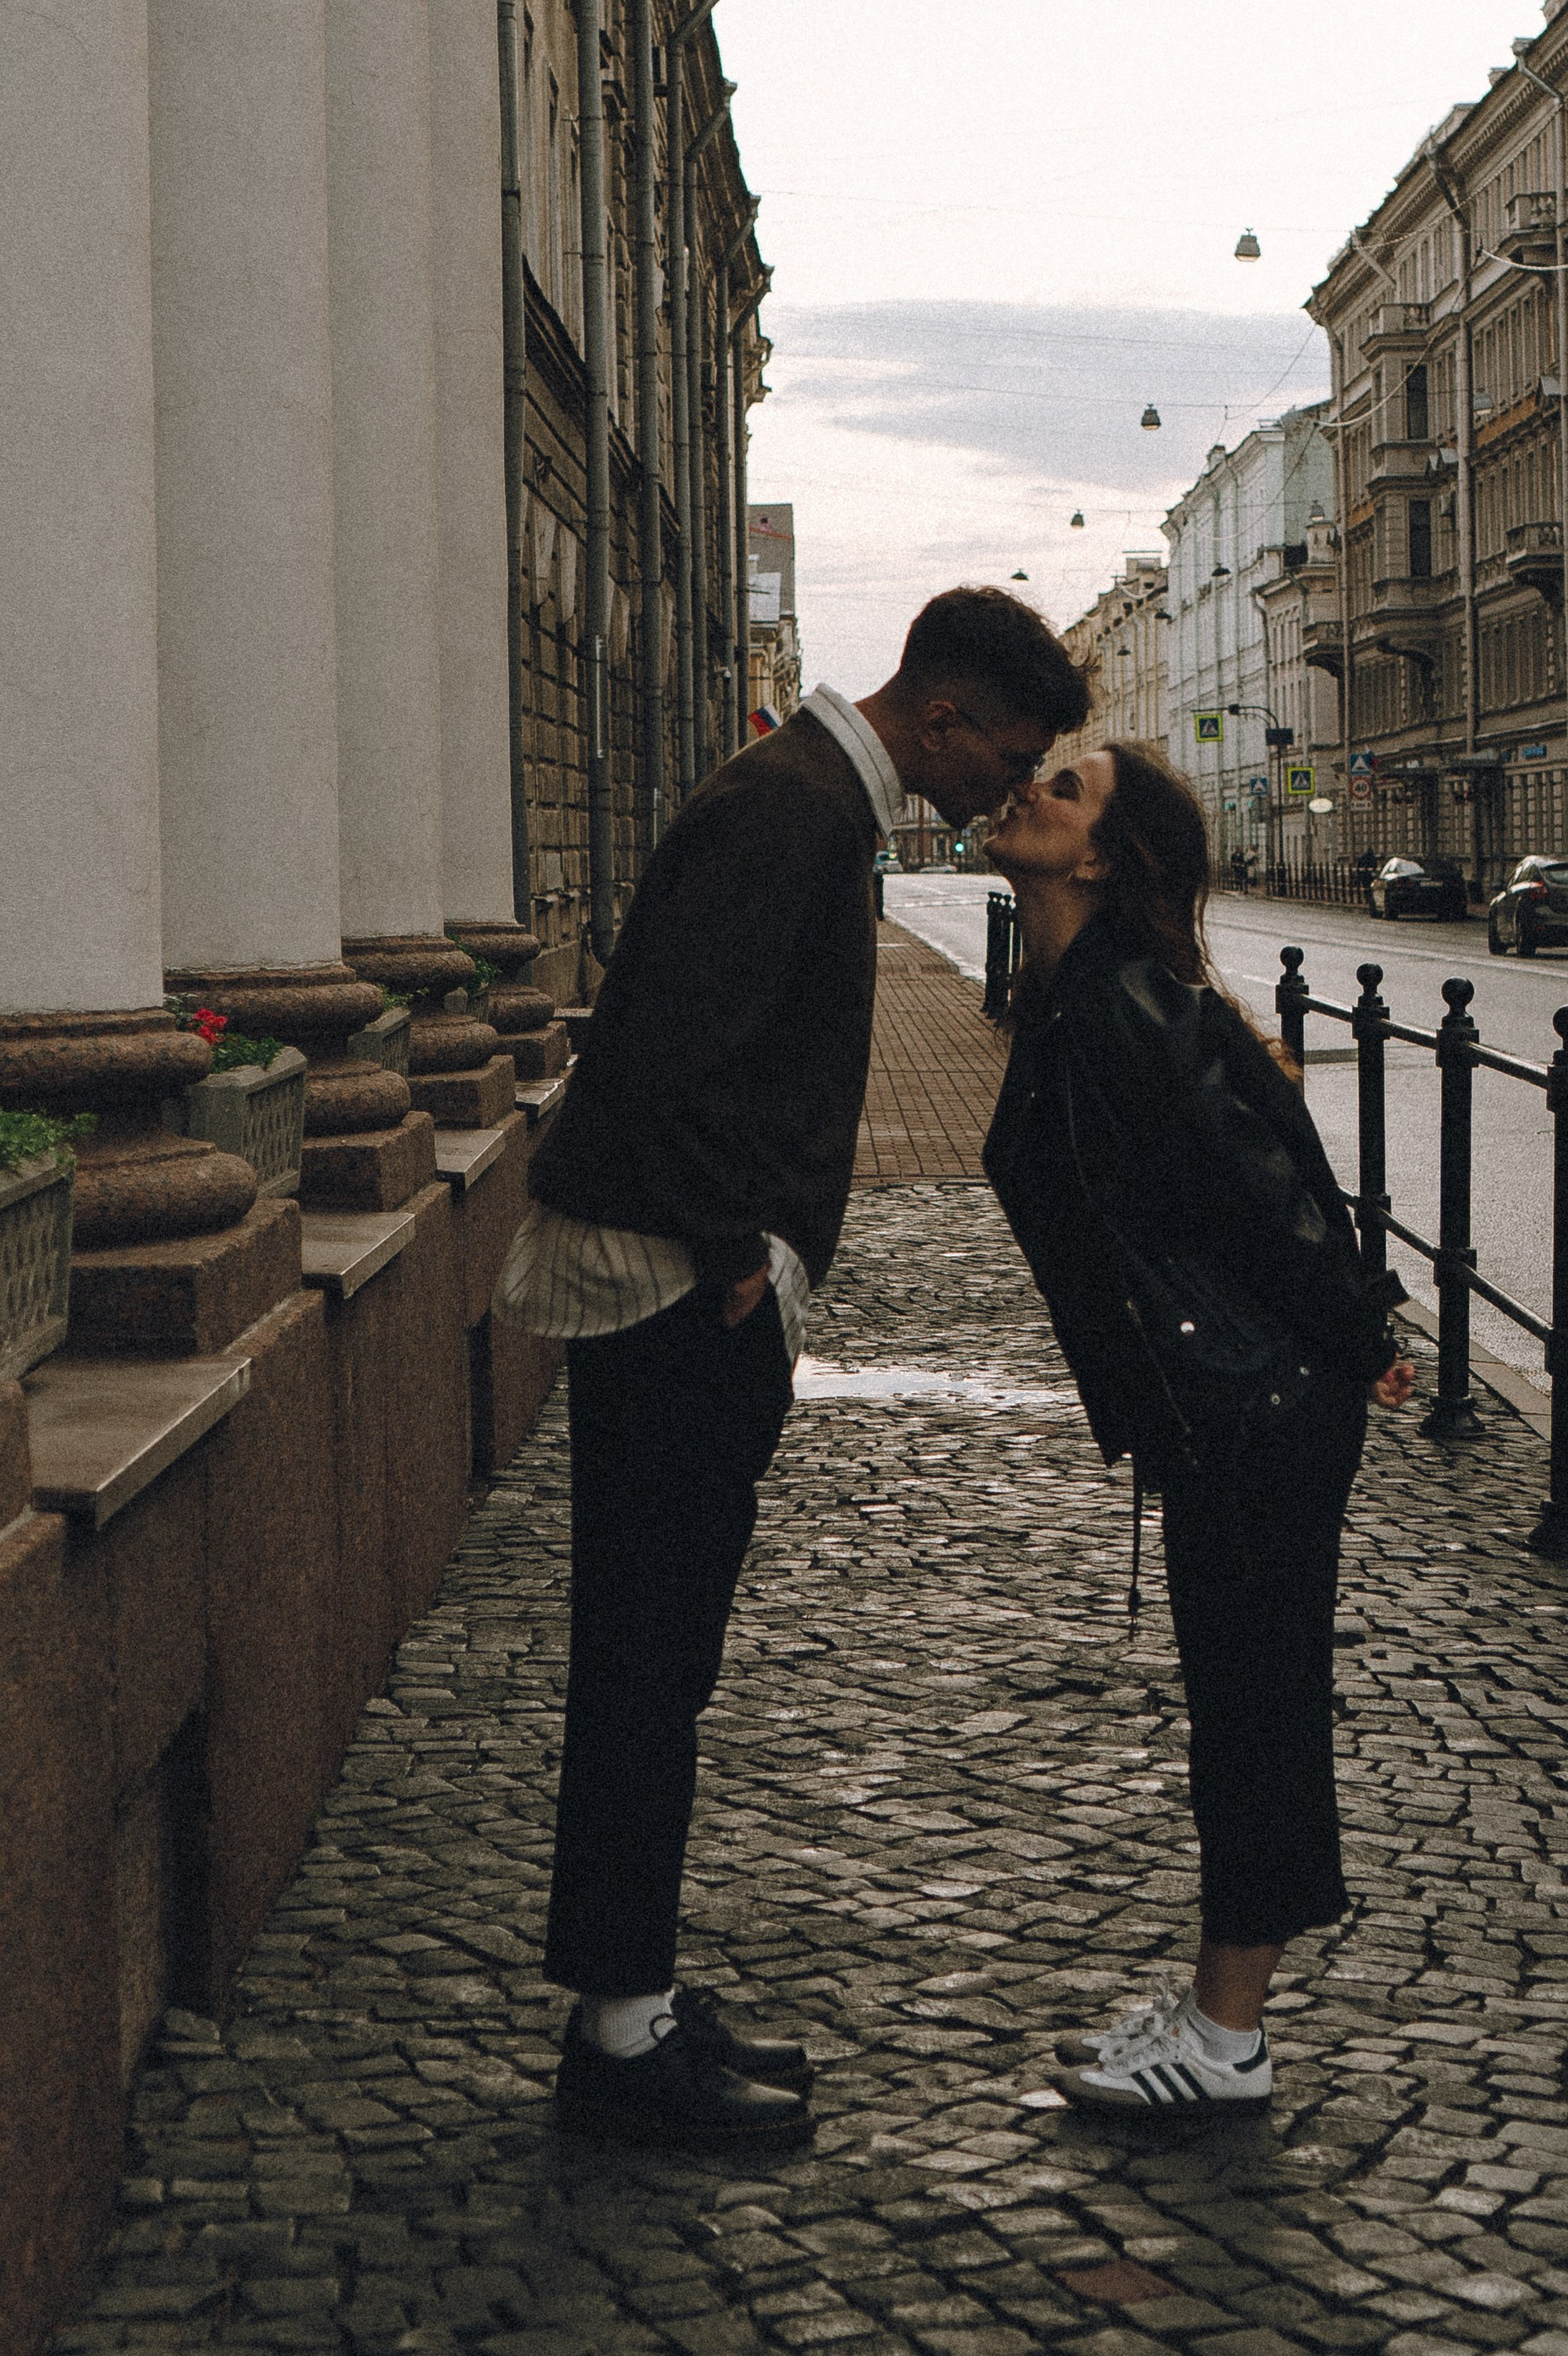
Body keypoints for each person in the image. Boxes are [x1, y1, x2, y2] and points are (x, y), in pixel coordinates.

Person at [501, 586, 1090, 2145]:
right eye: (1004, 756)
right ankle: (620, 2044)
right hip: (672, 1297)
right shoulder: (799, 813)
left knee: (660, 1663)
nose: (1002, 791)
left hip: (683, 1282)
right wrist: (736, 1257)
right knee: (644, 1664)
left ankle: (630, 1997)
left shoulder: (814, 797)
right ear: (944, 715)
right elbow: (660, 1058)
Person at [981, 743, 1412, 2112]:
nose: (1029, 790)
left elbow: (1255, 1186)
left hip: (1259, 1401)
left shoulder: (1117, 1007)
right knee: (1238, 1700)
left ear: (1106, 857)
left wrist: (1360, 1337)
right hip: (1224, 1398)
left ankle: (1228, 2036)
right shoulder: (1076, 995)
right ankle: (1219, 2007)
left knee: (1255, 1709)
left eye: (1066, 789)